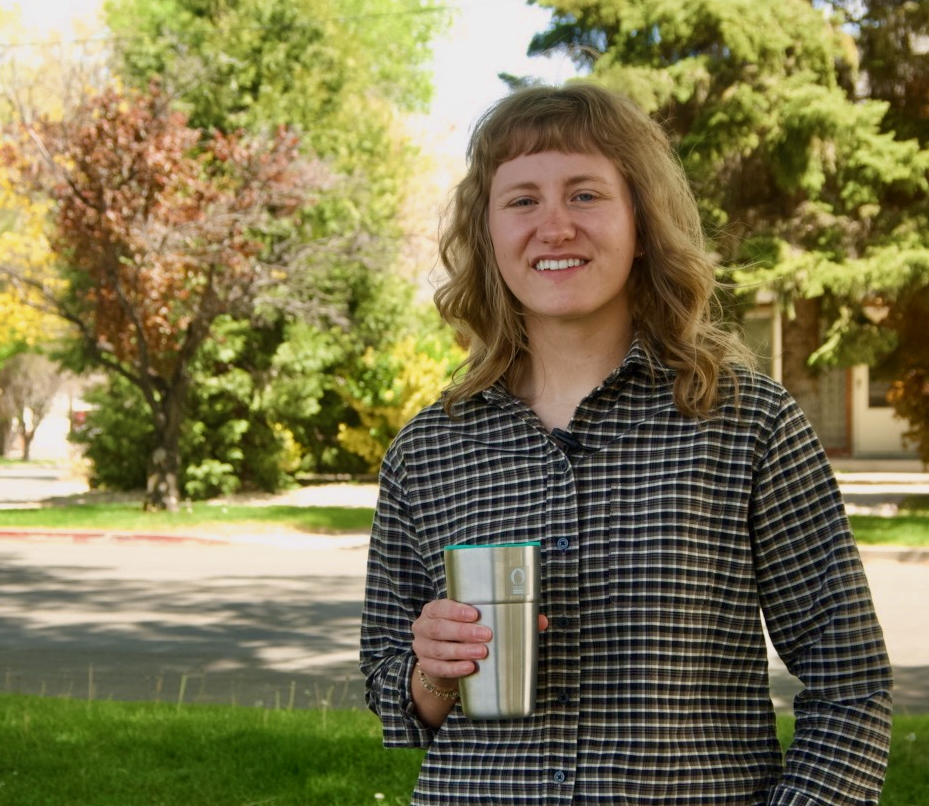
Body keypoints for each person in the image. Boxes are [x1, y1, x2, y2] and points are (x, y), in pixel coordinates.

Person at [358, 82, 892, 805]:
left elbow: (850, 684)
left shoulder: (745, 423)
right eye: (521, 200)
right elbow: (392, 692)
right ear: (486, 233)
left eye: (584, 195)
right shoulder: (428, 450)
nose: (553, 227)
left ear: (640, 220)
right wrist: (431, 672)